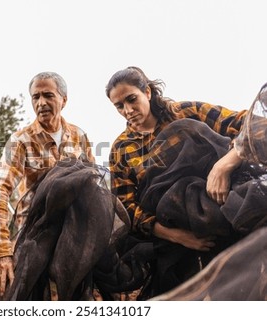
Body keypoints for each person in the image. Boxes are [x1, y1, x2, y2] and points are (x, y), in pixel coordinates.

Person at [105, 66, 250, 295]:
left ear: (148, 92)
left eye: (132, 99)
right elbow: (126, 207)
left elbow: (251, 124)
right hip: (174, 246)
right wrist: (178, 236)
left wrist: (224, 165)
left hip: (226, 220)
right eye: (119, 106)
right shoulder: (121, 149)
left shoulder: (186, 113)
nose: (128, 110)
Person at [0, 71, 95, 297]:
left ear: (64, 100)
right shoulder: (21, 140)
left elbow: (93, 185)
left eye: (48, 95)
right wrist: (0, 248)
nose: (41, 103)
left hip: (73, 232)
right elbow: (0, 190)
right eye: (35, 97)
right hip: (34, 233)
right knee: (27, 297)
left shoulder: (79, 136)